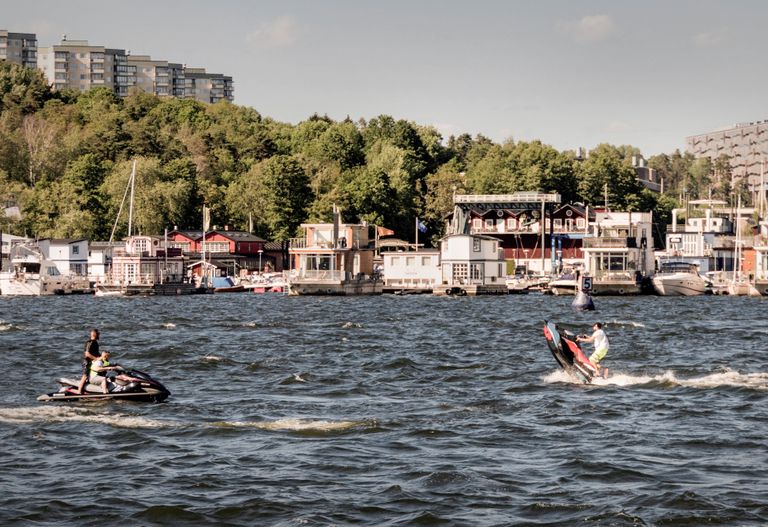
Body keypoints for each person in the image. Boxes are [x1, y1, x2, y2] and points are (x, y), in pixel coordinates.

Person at [77, 329, 101, 394]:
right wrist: (95, 358)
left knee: (93, 375)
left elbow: (97, 353)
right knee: (85, 376)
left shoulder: (95, 342)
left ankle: (89, 390)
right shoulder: (90, 342)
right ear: (94, 334)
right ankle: (79, 392)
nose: (99, 335)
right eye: (98, 333)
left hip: (93, 362)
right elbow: (87, 354)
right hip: (87, 362)